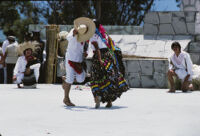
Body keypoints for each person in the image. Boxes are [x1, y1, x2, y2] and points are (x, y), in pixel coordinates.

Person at [89, 19, 129, 108]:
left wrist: (99, 60)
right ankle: (109, 101)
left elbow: (97, 49)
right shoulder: (104, 34)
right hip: (109, 57)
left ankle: (97, 97)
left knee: (96, 77)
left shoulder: (93, 36)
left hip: (99, 57)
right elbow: (111, 46)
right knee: (109, 78)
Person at [62, 17, 95, 106]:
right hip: (70, 59)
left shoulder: (85, 36)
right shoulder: (73, 31)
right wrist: (73, 33)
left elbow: (86, 47)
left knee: (81, 79)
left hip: (79, 60)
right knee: (70, 79)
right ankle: (66, 98)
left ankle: (66, 80)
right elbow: (68, 38)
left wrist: (86, 53)